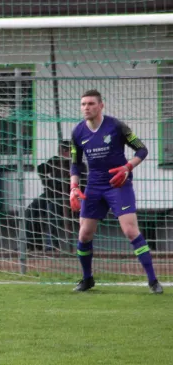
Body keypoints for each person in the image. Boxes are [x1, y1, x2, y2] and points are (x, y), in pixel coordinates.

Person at [69, 89, 163, 294]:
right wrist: (74, 188)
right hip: (93, 186)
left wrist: (127, 167)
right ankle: (87, 279)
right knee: (84, 234)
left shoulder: (116, 126)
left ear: (101, 106)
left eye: (91, 104)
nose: (87, 107)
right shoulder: (77, 132)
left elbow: (142, 149)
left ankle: (153, 281)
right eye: (83, 104)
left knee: (130, 230)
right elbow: (75, 164)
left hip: (118, 184)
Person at [25, 140, 71, 251]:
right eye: (60, 150)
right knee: (30, 210)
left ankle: (51, 246)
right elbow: (41, 169)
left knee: (52, 208)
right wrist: (48, 183)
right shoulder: (54, 160)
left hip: (66, 198)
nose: (62, 153)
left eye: (65, 150)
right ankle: (34, 245)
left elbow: (79, 184)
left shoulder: (76, 164)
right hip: (50, 194)